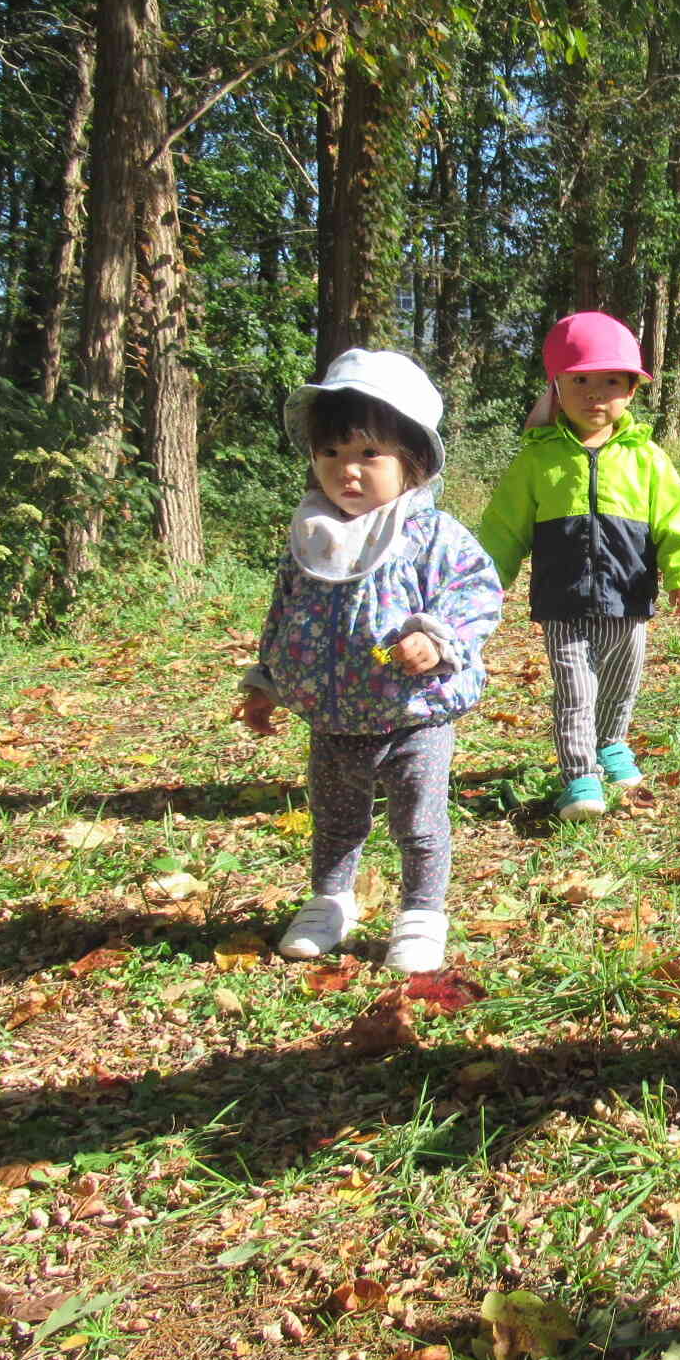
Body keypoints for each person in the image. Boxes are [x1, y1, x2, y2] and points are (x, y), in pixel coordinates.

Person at [238, 350, 501, 974]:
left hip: (414, 715)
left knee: (418, 821)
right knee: (334, 820)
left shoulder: (430, 534)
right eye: (330, 454)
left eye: (367, 456)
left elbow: (477, 593)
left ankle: (420, 912)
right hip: (332, 721)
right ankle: (330, 901)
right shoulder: (312, 534)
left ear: (413, 462)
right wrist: (266, 681)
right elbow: (286, 612)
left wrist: (437, 639)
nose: (345, 473)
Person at [478, 312, 680, 822]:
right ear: (557, 387)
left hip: (628, 597)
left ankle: (611, 744)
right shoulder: (536, 460)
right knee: (575, 687)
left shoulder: (646, 458)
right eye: (579, 380)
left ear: (631, 389)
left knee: (620, 681)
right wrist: (485, 582)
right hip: (561, 599)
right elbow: (503, 529)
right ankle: (580, 777)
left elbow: (676, 521)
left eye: (610, 381)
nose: (594, 394)